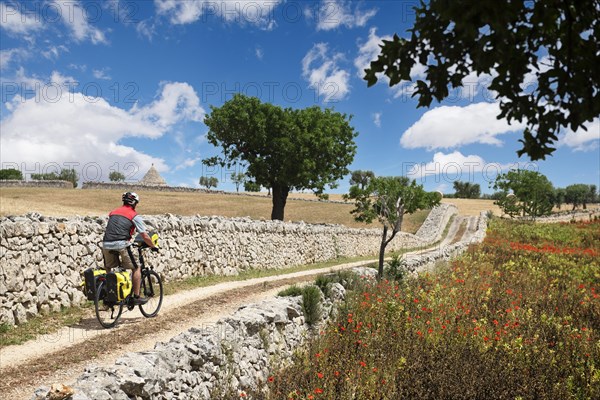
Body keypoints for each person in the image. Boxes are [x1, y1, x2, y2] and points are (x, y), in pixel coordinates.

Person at [102, 192, 158, 305]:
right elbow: (144, 235)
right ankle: (136, 296)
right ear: (135, 203)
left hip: (106, 243)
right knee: (136, 268)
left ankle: (109, 293)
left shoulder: (113, 212)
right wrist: (153, 246)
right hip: (121, 244)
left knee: (108, 266)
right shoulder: (134, 215)